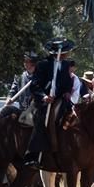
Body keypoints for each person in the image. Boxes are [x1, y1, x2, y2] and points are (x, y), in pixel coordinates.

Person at [25, 37, 75, 168]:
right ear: (58, 53)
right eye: (65, 52)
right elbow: (35, 85)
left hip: (60, 100)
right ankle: (33, 155)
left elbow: (67, 83)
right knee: (42, 120)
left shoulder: (66, 65)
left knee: (74, 115)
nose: (67, 54)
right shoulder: (43, 65)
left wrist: (67, 92)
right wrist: (44, 96)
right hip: (44, 101)